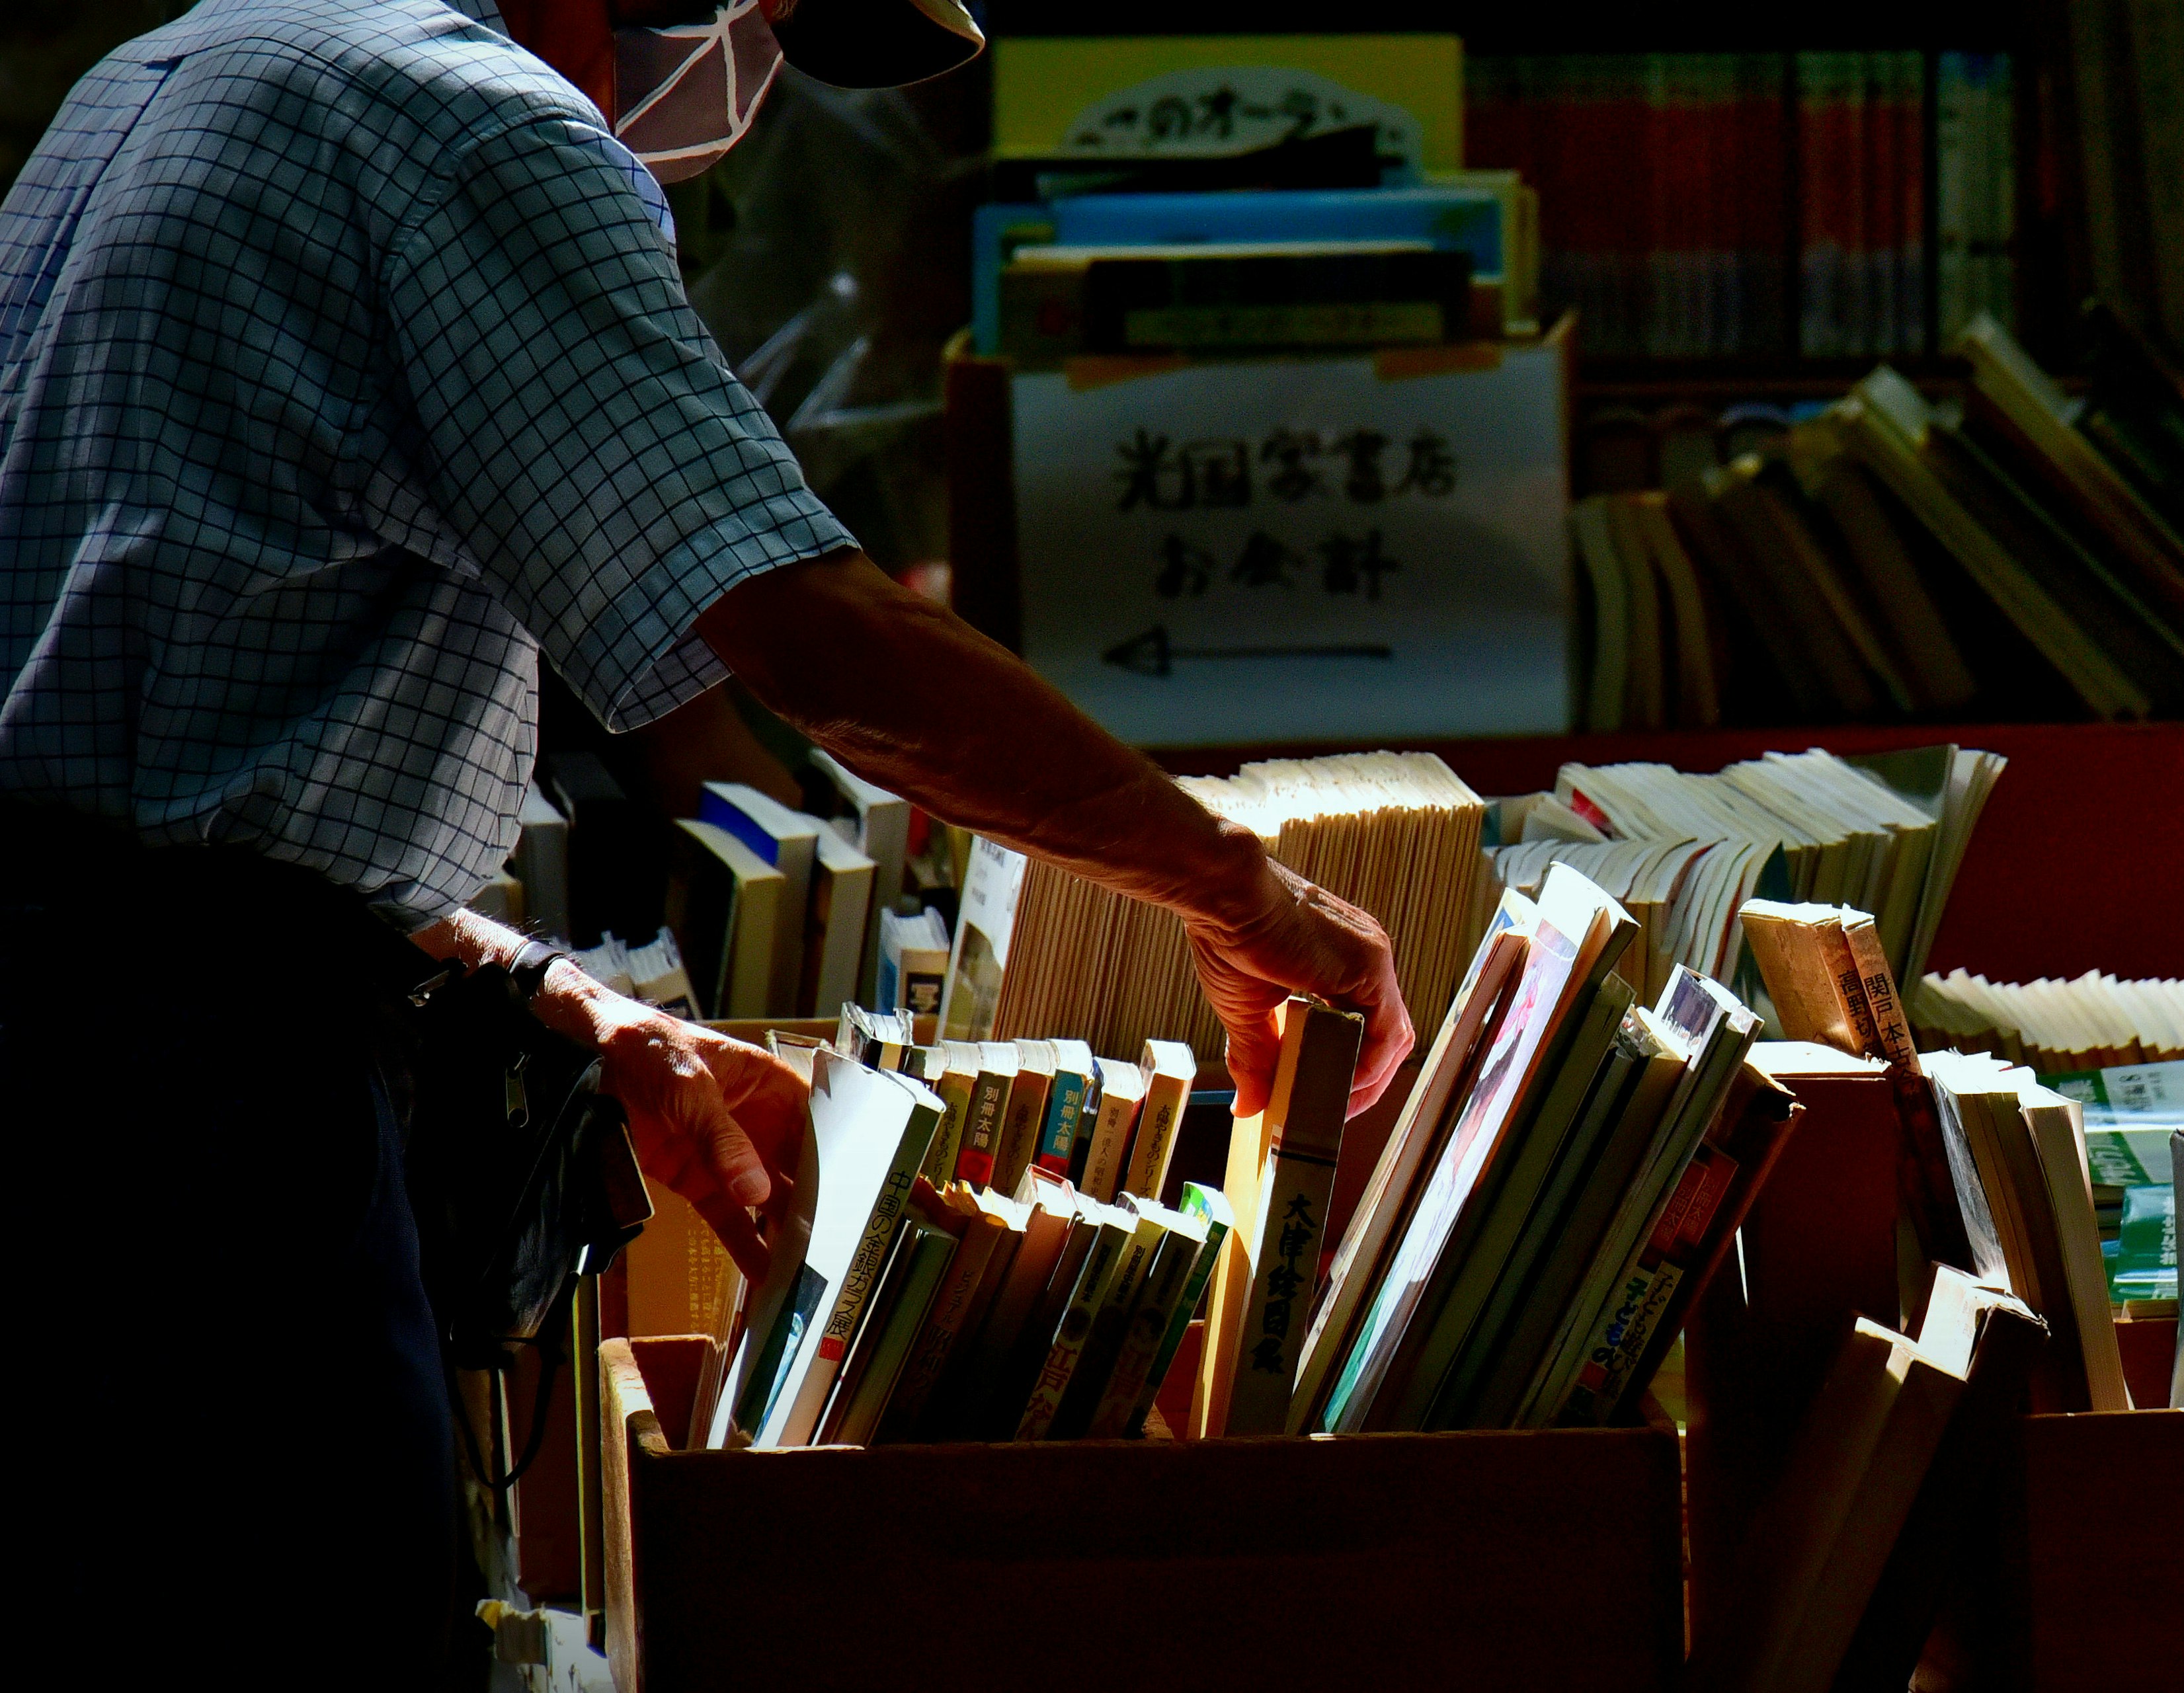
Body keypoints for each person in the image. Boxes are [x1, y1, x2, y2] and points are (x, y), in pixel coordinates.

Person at [0, 1, 1412, 1678]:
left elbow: (126, 762)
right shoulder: (481, 129)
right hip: (186, 1121)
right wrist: (1237, 887)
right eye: (762, 16)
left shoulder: (161, 74)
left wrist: (560, 999)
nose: (741, 83)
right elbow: (805, 631)